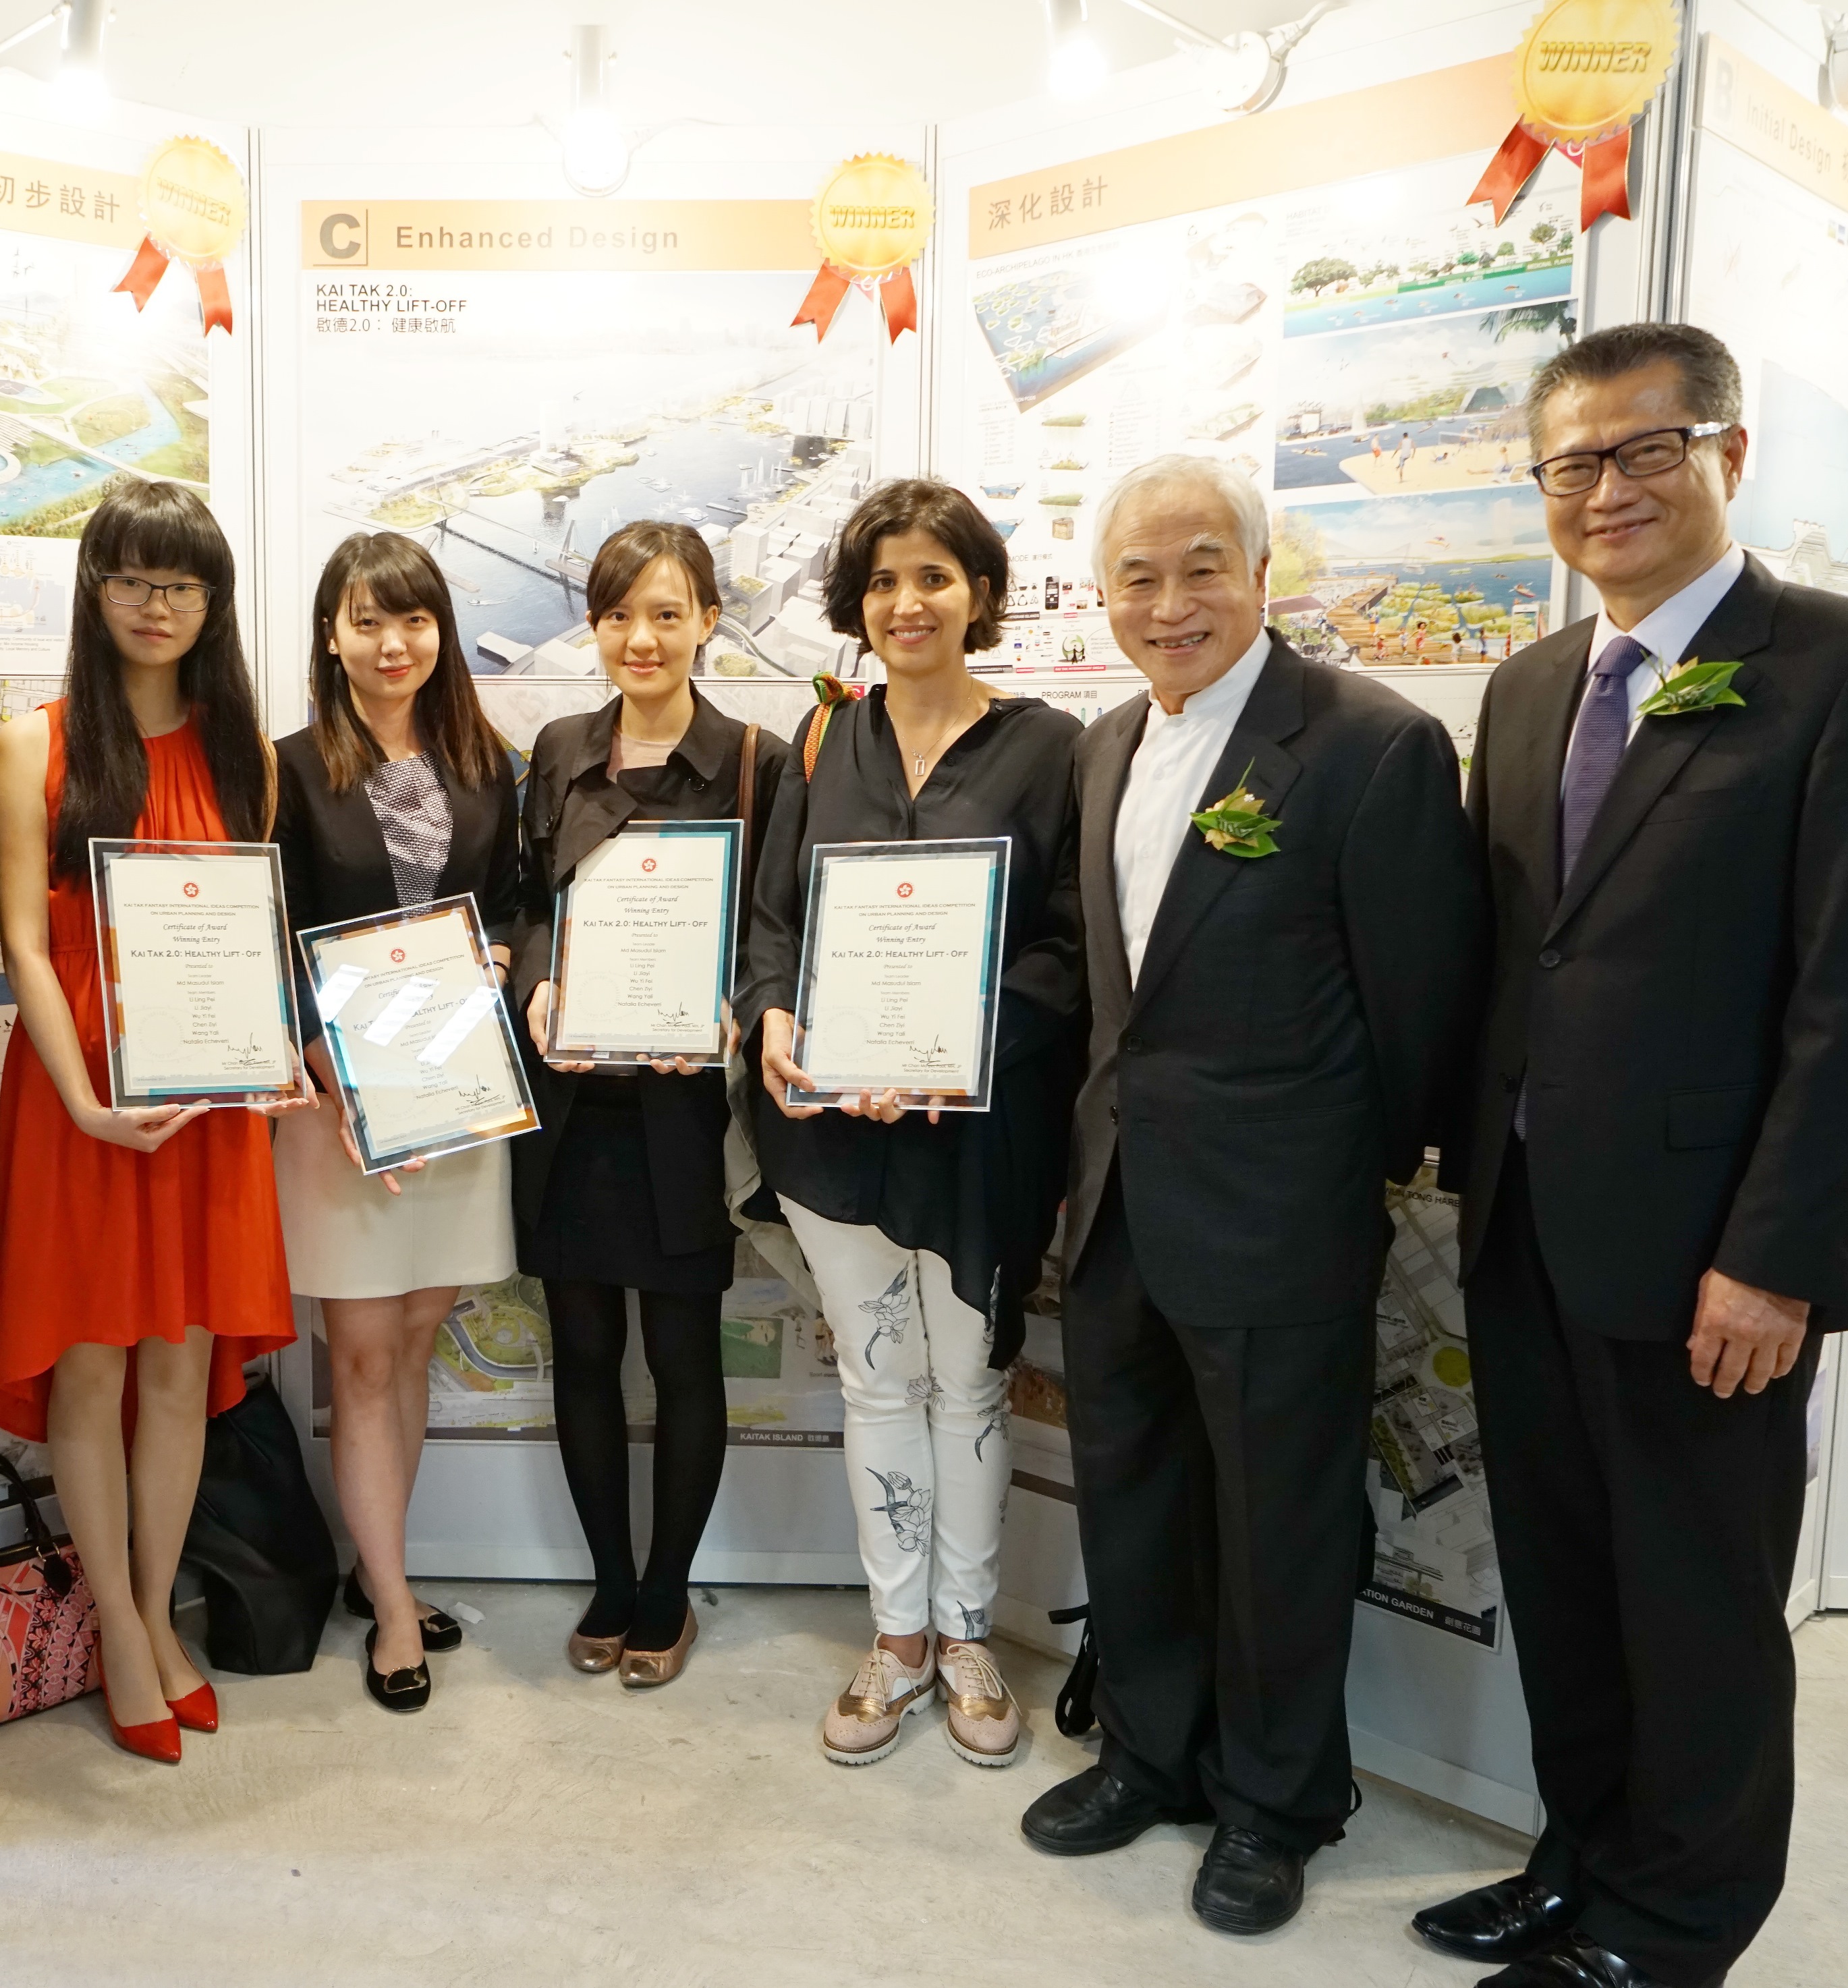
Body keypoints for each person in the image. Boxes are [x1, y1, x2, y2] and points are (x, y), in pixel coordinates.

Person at [1418, 322, 1848, 1988]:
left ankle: (1678, 1925)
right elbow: (1518, 956)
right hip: (1529, 1226)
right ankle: (1580, 1860)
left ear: (1729, 453)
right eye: (1572, 462)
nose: (1607, 489)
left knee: (1699, 1605)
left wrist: (1779, 1259)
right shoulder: (1529, 686)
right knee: (1567, 1581)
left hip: (1713, 1251)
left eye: (1645, 449)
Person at [1017, 455, 1484, 1935]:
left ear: (1263, 575)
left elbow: (1421, 1009)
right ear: (1105, 598)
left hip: (1279, 1217)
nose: (1171, 604)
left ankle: (1278, 1803)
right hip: (1117, 1204)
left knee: (1283, 1528)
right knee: (1137, 1500)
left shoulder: (1370, 745)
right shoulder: (1104, 746)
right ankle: (1151, 1756)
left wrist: (1335, 1171)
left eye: (1202, 567)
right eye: (1139, 577)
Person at [741, 479, 1084, 1771]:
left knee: (970, 1383)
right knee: (877, 1380)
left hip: (977, 1130)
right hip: (834, 1132)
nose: (907, 602)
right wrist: (773, 1012)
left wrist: (964, 1041)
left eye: (934, 575)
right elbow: (772, 919)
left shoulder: (1052, 747)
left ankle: (967, 1631)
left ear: (979, 592)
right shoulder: (825, 739)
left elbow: (1070, 947)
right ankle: (897, 1638)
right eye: (883, 580)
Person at [0, 479, 300, 1763]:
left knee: (178, 1366)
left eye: (181, 583)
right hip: (80, 1101)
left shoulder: (243, 753)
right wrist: (85, 1100)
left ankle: (160, 1614)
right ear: (94, 588)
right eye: (131, 578)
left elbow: (249, 938)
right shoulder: (33, 743)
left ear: (213, 601)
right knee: (92, 1366)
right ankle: (119, 1630)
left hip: (205, 1102)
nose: (155, 604)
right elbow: (24, 943)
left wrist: (264, 1056)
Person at [513, 521, 789, 1686]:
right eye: (620, 614)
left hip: (682, 1112)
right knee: (581, 1350)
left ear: (709, 622)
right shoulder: (558, 749)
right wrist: (537, 983)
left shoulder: (757, 761)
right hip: (573, 1104)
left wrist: (736, 1008)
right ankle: (610, 1582)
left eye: (668, 613)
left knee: (682, 1356)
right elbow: (529, 902)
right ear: (595, 625)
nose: (643, 638)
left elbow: (773, 927)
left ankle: (668, 1591)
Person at [273, 531, 524, 1713]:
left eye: (413, 619)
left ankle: (384, 1572)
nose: (391, 643)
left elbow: (509, 900)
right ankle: (389, 1608)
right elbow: (264, 926)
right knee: (364, 1356)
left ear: (440, 632)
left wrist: (502, 960)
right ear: (331, 635)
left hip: (456, 1085)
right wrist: (314, 1047)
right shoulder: (286, 768)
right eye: (367, 620)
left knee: (416, 1342)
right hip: (342, 1102)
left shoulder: (485, 761)